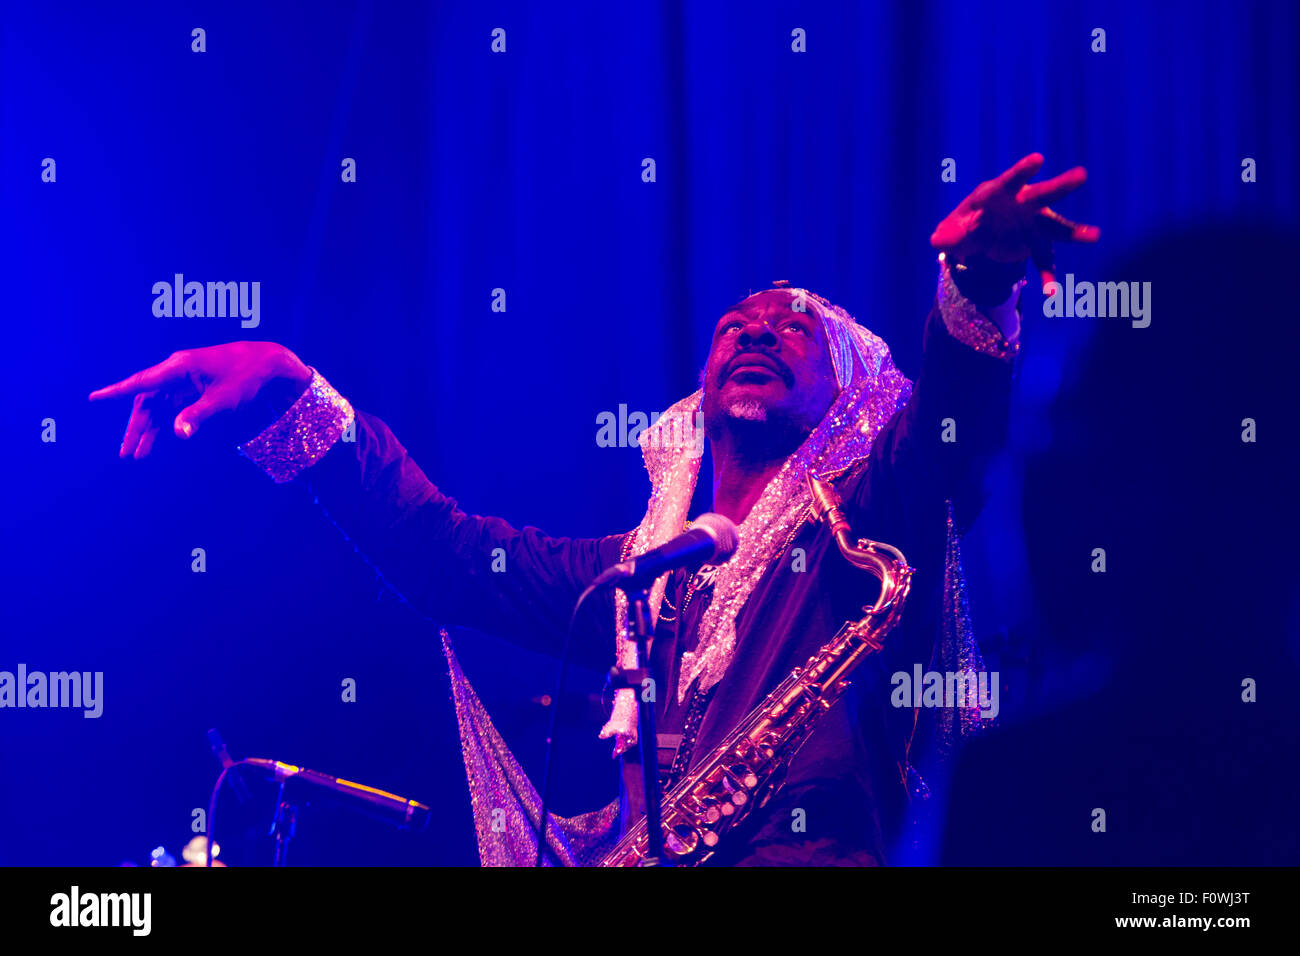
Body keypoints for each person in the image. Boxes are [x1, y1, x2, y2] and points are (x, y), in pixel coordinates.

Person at [90, 154, 1097, 866]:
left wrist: (977, 276)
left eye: (796, 329)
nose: (756, 329)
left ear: (853, 398)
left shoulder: (870, 512)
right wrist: (286, 387)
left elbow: (953, 438)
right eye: (735, 324)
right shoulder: (634, 575)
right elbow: (442, 555)